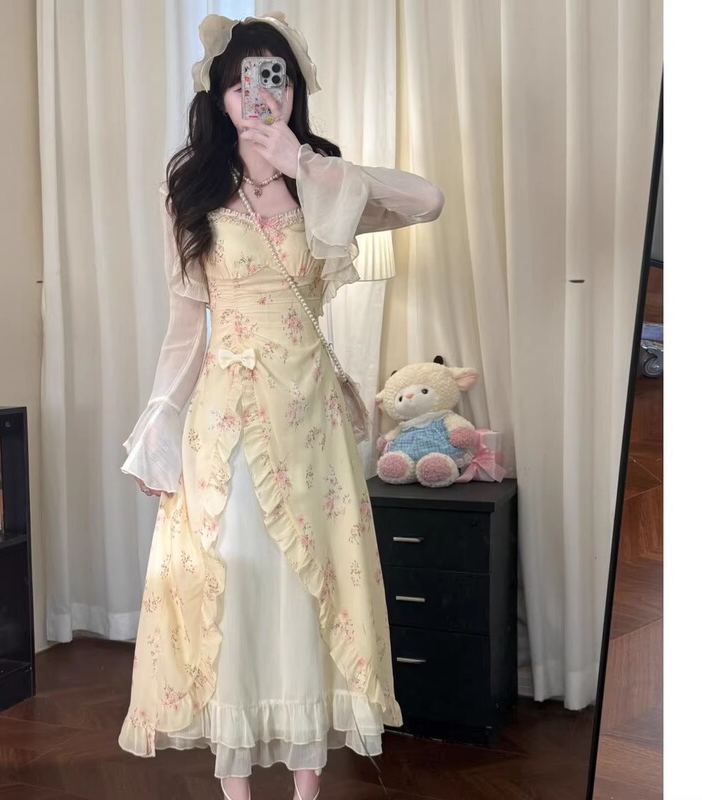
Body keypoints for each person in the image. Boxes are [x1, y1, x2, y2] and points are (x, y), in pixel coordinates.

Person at [118, 11, 445, 800]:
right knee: (237, 584)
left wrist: (304, 163)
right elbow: (186, 326)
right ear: (219, 97)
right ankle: (234, 788)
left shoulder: (322, 179)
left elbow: (427, 201)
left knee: (310, 591)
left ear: (294, 90)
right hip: (227, 422)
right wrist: (158, 417)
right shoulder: (190, 190)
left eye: (275, 79)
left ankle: (306, 791)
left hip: (310, 422)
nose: (259, 95)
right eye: (242, 83)